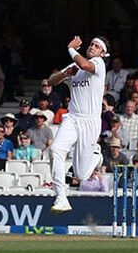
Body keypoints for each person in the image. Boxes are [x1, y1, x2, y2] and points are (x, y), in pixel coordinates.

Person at [46, 35, 108, 213]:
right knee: (55, 150)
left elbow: (85, 65)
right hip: (72, 117)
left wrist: (71, 48)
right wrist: (65, 74)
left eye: (97, 46)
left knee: (80, 175)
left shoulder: (98, 64)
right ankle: (61, 197)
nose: (92, 47)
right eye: (91, 44)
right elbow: (50, 81)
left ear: (103, 53)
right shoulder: (76, 65)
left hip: (90, 121)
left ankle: (96, 154)